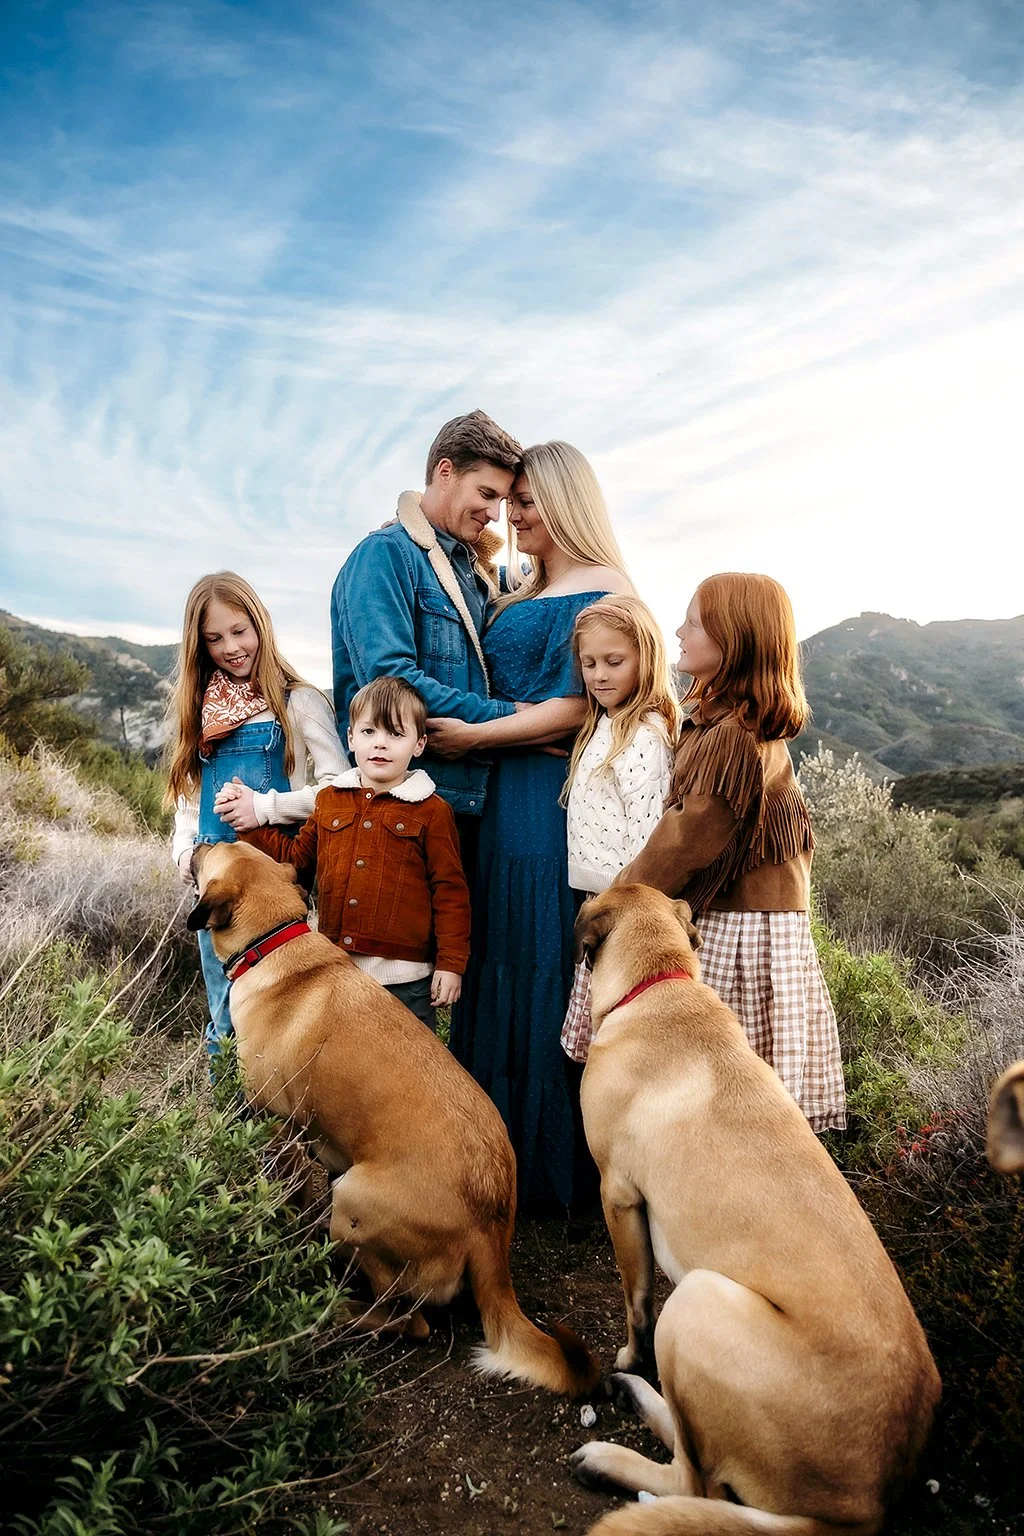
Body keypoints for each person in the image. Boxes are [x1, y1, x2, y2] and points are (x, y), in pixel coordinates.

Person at [429, 441, 633, 1209]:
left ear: (568, 500)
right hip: (497, 793)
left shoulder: (607, 590)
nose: (513, 515)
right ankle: (489, 1150)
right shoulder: (524, 584)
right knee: (498, 954)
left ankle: (554, 1171)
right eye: (509, 500)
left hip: (546, 797)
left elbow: (583, 702)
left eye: (528, 500)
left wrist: (476, 733)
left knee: (542, 955)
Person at [615, 572, 847, 1133]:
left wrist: (620, 896)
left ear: (734, 639)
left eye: (694, 623)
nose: (679, 630)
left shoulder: (736, 735)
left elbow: (687, 838)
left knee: (731, 1077)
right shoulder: (724, 721)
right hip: (747, 915)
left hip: (745, 924)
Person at [330, 409, 523, 868]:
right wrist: (509, 718)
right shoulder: (385, 555)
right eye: (487, 494)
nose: (496, 514)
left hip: (464, 804)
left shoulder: (476, 573)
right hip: (398, 812)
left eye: (503, 500)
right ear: (445, 472)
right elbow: (391, 681)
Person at [166, 571, 347, 1054]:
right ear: (198, 645)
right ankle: (226, 1125)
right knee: (224, 1013)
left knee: (279, 1014)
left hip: (276, 886)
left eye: (239, 630)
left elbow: (338, 789)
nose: (230, 646)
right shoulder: (202, 709)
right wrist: (185, 855)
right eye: (214, 638)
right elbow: (188, 797)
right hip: (218, 889)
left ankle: (283, 1123)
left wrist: (266, 806)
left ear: (260, 625)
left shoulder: (298, 701)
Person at [239, 676, 469, 1030]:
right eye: (369, 733)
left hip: (405, 981)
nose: (380, 744)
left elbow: (450, 892)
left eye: (395, 734)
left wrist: (450, 964)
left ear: (419, 744)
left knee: (403, 1071)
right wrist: (250, 825)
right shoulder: (330, 800)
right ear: (350, 738)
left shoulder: (431, 810)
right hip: (337, 969)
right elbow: (297, 863)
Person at [557, 594, 679, 1064]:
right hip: (598, 903)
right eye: (589, 663)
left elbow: (648, 834)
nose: (599, 675)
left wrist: (624, 907)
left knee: (622, 1031)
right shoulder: (602, 724)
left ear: (644, 659)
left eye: (614, 661)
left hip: (623, 908)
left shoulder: (645, 733)